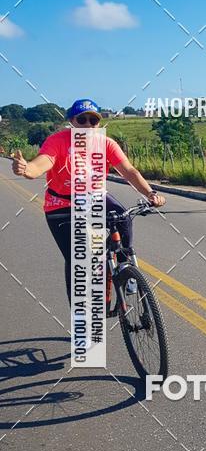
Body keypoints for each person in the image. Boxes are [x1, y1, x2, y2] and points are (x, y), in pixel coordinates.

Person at [11, 98, 165, 303]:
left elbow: (128, 171)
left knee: (123, 218)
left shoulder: (106, 143)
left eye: (93, 121)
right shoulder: (58, 141)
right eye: (82, 120)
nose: (87, 125)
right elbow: (41, 164)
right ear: (72, 121)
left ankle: (125, 266)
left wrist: (150, 193)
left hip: (95, 196)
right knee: (78, 261)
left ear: (98, 124)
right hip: (62, 204)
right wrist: (26, 169)